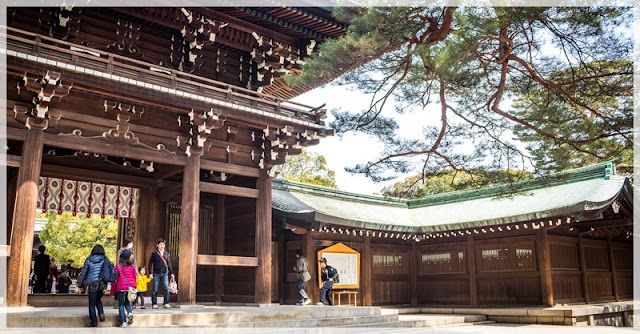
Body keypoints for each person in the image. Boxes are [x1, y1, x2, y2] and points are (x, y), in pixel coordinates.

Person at [77, 245, 110, 328]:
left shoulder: (89, 259)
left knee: (92, 303)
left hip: (92, 283)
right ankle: (101, 313)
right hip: (102, 283)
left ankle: (94, 323)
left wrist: (80, 285)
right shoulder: (105, 259)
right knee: (98, 299)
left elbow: (83, 273)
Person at [148, 238, 174, 309]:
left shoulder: (166, 253)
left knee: (166, 288)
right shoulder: (154, 254)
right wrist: (150, 272)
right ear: (157, 245)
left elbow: (169, 263)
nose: (162, 246)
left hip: (165, 273)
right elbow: (150, 263)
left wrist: (171, 273)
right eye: (160, 244)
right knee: (155, 289)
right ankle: (154, 303)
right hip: (156, 273)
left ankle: (166, 302)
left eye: (163, 244)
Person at [114, 249, 136, 328]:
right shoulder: (132, 266)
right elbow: (134, 277)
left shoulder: (118, 266)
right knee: (127, 302)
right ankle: (129, 313)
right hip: (130, 287)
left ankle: (123, 322)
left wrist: (113, 291)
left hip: (121, 287)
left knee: (121, 305)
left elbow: (115, 279)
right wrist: (134, 287)